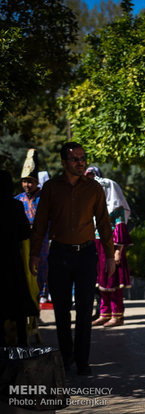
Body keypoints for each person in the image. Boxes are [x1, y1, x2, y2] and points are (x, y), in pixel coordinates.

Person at [30, 142, 116, 375]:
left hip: (87, 254)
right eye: (75, 159)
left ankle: (82, 361)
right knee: (61, 310)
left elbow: (105, 224)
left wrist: (110, 255)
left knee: (86, 309)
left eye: (83, 158)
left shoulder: (94, 188)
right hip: (59, 254)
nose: (80, 162)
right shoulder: (51, 188)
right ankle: (66, 358)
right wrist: (35, 253)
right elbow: (39, 224)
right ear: (63, 162)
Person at [86, 167, 132, 328]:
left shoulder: (116, 210)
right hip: (98, 248)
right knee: (102, 282)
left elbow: (121, 232)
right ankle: (104, 313)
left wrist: (118, 251)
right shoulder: (95, 207)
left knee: (113, 282)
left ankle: (117, 315)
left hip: (111, 249)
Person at [1, 170, 38, 346]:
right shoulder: (15, 206)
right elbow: (25, 233)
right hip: (12, 261)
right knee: (18, 306)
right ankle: (23, 347)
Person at [14, 148, 50, 304]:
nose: (27, 185)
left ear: (36, 182)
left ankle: (41, 300)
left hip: (42, 242)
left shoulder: (46, 198)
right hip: (23, 243)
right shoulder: (17, 200)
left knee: (42, 272)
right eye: (24, 181)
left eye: (30, 181)